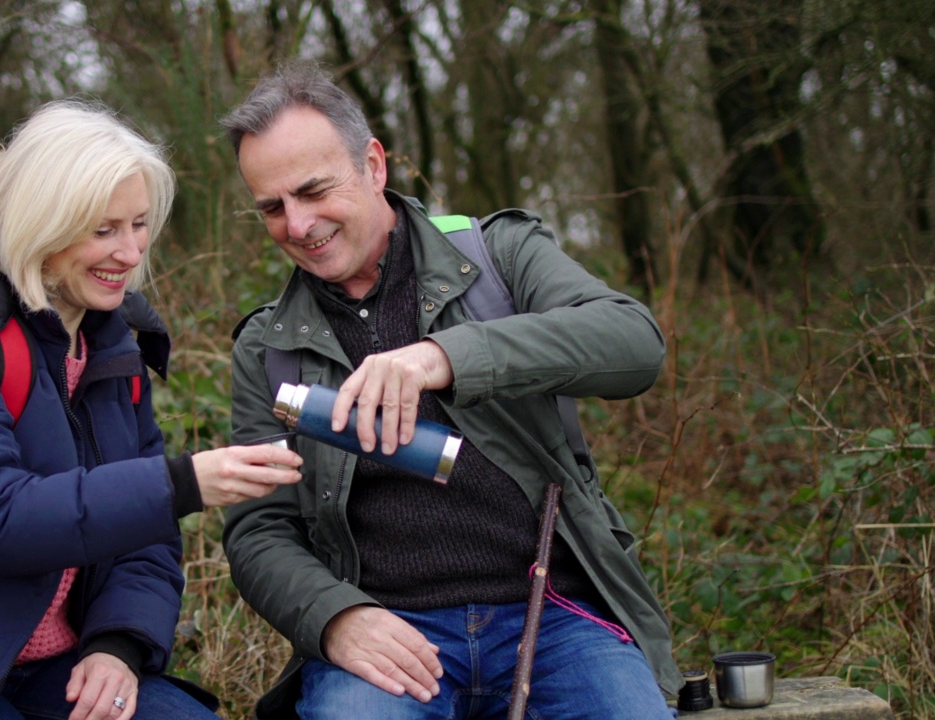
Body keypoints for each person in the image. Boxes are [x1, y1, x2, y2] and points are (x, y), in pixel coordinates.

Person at [0, 99, 304, 720]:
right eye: (102, 230)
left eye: (139, 224)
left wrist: (118, 644)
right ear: (42, 223)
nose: (129, 252)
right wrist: (182, 483)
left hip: (62, 669)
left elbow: (144, 544)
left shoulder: (112, 346)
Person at [220, 62, 683, 719]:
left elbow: (634, 344)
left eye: (314, 190)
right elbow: (259, 530)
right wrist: (335, 618)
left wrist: (446, 357)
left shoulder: (500, 256)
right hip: (388, 636)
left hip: (554, 616)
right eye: (273, 207)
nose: (298, 225)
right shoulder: (268, 348)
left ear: (373, 165)